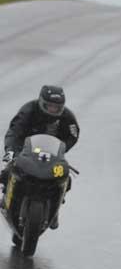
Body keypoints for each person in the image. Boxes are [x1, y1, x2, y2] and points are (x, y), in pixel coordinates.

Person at [0, 85, 80, 229]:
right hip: (25, 151)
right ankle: (6, 196)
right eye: (50, 106)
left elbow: (73, 136)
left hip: (51, 153)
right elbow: (14, 132)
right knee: (7, 171)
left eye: (56, 107)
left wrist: (62, 150)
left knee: (65, 178)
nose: (53, 110)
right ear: (42, 102)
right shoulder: (28, 111)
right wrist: (11, 151)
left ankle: (55, 210)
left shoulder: (67, 117)